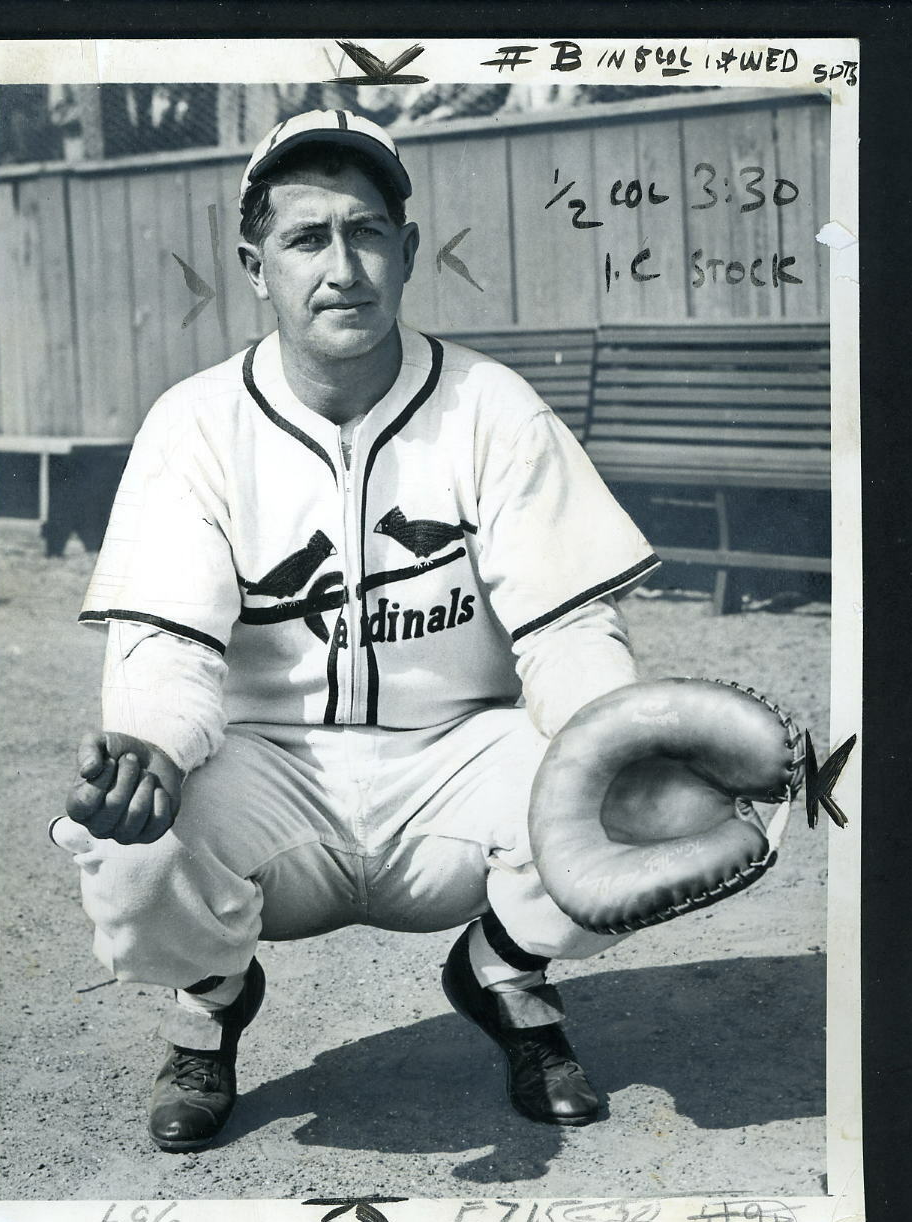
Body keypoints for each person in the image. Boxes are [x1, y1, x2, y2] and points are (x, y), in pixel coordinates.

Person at [51, 109, 660, 1153]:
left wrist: (615, 735)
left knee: (633, 790)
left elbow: (567, 627)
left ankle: (505, 974)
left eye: (366, 231)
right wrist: (150, 738)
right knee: (134, 840)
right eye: (305, 238)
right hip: (271, 775)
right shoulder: (195, 422)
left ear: (407, 248)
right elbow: (170, 648)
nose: (342, 266)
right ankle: (211, 1001)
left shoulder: (492, 406)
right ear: (256, 265)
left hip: (453, 767)